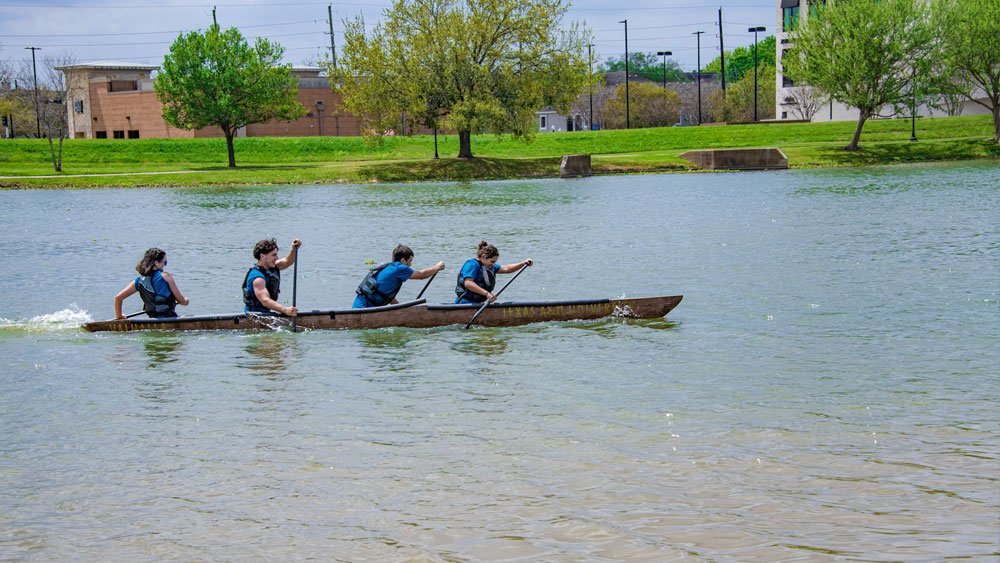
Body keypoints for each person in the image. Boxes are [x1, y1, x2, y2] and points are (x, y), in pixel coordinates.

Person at [353, 244, 445, 308]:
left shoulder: (390, 267)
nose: (410, 265)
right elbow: (421, 275)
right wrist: (437, 267)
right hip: (365, 307)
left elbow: (386, 295)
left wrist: (400, 308)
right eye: (410, 261)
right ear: (402, 260)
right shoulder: (399, 268)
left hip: (361, 305)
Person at [114, 248, 190, 319]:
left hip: (152, 319)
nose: (165, 265)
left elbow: (118, 298)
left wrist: (119, 317)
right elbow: (181, 301)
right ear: (156, 262)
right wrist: (186, 301)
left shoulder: (138, 281)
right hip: (168, 318)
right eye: (165, 262)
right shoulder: (166, 277)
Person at [455, 241, 532, 304]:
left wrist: (523, 263)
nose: (493, 264)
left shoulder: (490, 267)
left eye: (494, 262)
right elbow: (468, 283)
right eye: (492, 261)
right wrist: (487, 294)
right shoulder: (472, 264)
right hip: (465, 303)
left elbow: (507, 269)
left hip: (477, 303)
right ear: (484, 256)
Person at [242, 238, 301, 316]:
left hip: (267, 314)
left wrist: (294, 249)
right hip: (255, 317)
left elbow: (287, 261)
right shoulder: (257, 278)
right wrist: (285, 310)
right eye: (273, 255)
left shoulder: (272, 267)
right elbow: (265, 300)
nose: (276, 258)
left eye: (276, 254)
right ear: (262, 256)